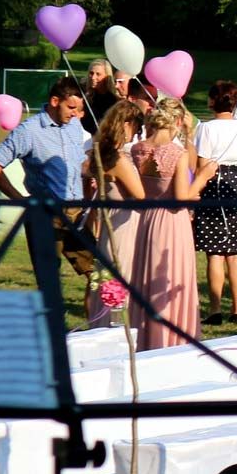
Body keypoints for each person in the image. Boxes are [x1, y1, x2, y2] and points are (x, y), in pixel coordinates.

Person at [0, 77, 96, 280]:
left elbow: (80, 165)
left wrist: (99, 168)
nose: (74, 113)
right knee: (48, 281)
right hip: (45, 214)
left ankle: (101, 312)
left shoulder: (72, 126)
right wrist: (20, 199)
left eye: (77, 108)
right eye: (71, 107)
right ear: (55, 101)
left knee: (98, 272)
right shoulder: (28, 131)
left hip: (76, 213)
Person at [131, 99, 220, 349]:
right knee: (169, 280)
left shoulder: (138, 149)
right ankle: (170, 339)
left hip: (147, 221)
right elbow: (181, 198)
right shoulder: (177, 154)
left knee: (149, 280)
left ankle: (147, 336)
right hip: (172, 223)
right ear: (178, 122)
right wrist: (202, 177)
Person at [193, 80, 237, 329]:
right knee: (235, 253)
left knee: (214, 253)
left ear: (212, 101)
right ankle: (236, 308)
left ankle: (214, 309)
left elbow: (202, 165)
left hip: (214, 184)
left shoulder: (206, 129)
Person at [84, 101, 145, 328]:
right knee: (122, 279)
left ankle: (105, 326)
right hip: (125, 225)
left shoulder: (99, 152)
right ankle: (118, 328)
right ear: (126, 124)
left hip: (111, 223)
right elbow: (139, 194)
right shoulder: (119, 159)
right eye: (136, 128)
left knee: (109, 281)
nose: (135, 134)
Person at [83, 59, 116, 133]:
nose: (93, 77)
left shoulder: (113, 100)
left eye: (98, 74)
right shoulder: (86, 95)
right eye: (91, 73)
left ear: (107, 77)